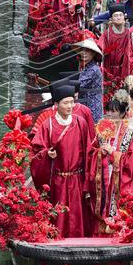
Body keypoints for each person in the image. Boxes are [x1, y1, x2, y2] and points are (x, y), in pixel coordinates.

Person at [29, 82, 97, 238]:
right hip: (57, 181)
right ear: (56, 104)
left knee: (78, 218)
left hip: (77, 180)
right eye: (66, 103)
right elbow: (36, 151)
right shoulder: (47, 125)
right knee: (58, 219)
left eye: (72, 102)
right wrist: (47, 154)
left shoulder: (80, 123)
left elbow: (89, 151)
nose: (70, 106)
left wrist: (90, 177)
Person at [93, 98, 133, 233]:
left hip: (118, 176)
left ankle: (117, 231)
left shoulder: (130, 133)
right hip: (103, 174)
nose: (109, 114)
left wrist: (113, 153)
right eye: (107, 111)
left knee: (116, 206)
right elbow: (91, 150)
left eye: (113, 111)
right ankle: (101, 231)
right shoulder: (101, 129)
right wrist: (100, 153)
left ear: (122, 113)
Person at [99, 5, 132, 87]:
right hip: (109, 69)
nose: (118, 18)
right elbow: (100, 50)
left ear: (124, 17)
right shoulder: (106, 34)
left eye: (120, 15)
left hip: (125, 69)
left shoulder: (129, 34)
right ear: (111, 19)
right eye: (116, 16)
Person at [73, 38, 104, 123]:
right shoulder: (86, 67)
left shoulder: (93, 69)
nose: (84, 53)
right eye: (82, 50)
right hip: (86, 106)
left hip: (92, 108)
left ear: (93, 53)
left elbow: (79, 85)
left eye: (87, 51)